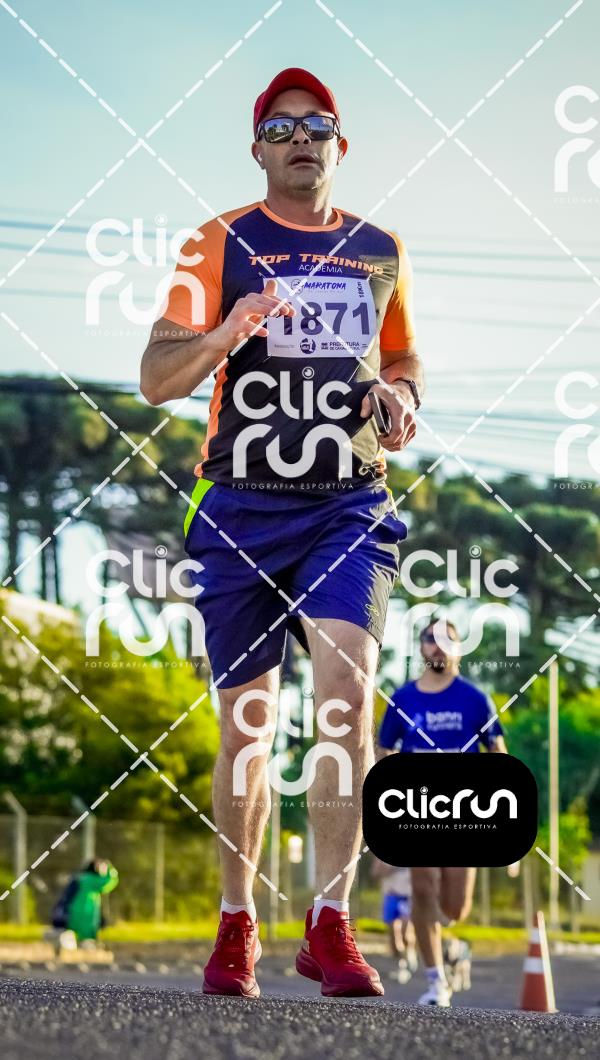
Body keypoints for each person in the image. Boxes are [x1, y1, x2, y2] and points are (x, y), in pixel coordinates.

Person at [140, 66, 423, 998]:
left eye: (318, 125)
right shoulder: (216, 242)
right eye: (281, 127)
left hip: (348, 503)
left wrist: (401, 395)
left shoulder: (380, 248)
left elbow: (403, 354)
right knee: (249, 725)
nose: (301, 138)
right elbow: (156, 378)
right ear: (258, 150)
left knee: (347, 695)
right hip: (241, 506)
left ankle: (331, 922)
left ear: (341, 146)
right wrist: (228, 330)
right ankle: (237, 921)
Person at [377, 619, 507, 1006]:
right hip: (419, 806)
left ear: (458, 649)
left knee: (454, 907)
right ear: (421, 648)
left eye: (446, 640)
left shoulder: (475, 699)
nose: (437, 647)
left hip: (465, 809)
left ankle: (453, 948)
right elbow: (384, 753)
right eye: (430, 640)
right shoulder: (403, 699)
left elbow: (498, 753)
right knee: (421, 888)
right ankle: (436, 981)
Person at [50, 859, 119, 947]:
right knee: (86, 936)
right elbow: (110, 880)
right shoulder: (92, 880)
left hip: (73, 909)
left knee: (74, 931)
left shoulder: (82, 877)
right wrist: (110, 868)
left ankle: (71, 946)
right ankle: (84, 947)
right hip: (85, 911)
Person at [371, 858, 417, 983]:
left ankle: (410, 950)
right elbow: (374, 873)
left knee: (406, 932)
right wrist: (384, 870)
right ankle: (400, 964)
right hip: (391, 895)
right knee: (394, 934)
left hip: (407, 896)